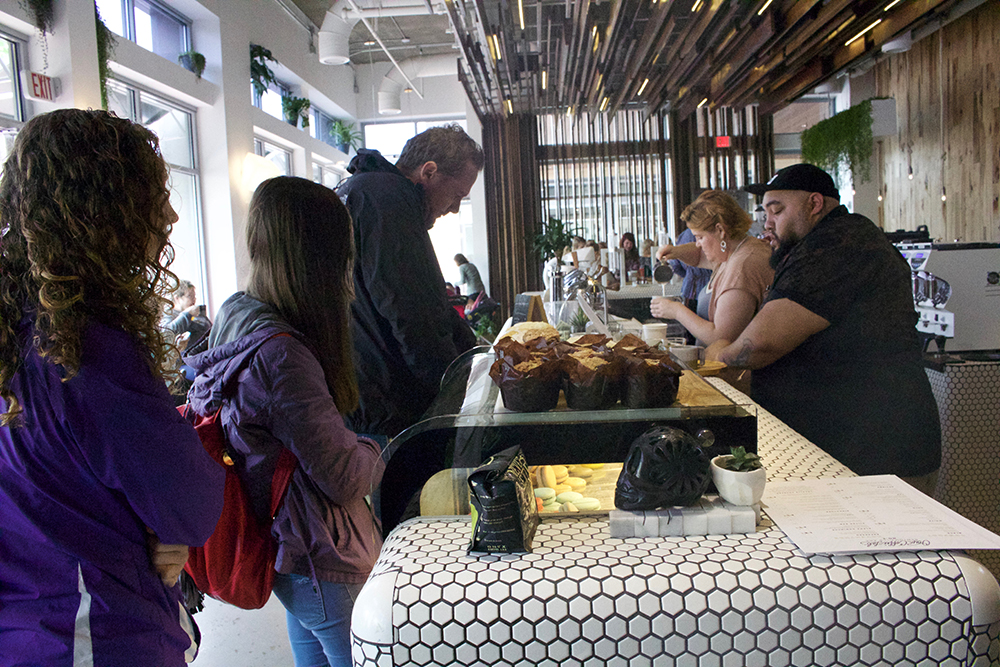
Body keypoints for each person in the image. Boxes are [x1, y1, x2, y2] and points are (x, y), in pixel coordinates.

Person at [0, 109, 224, 666]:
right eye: (153, 199)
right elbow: (189, 506)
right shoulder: (84, 353)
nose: (171, 214)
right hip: (91, 634)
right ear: (102, 215)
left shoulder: (15, 332)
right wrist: (159, 523)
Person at [186, 177, 386, 667]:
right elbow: (341, 476)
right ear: (324, 257)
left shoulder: (237, 316)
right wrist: (373, 450)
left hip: (288, 552)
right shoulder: (283, 357)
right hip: (322, 554)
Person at [709, 163, 941, 492]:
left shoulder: (838, 246)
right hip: (853, 446)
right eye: (765, 212)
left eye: (776, 211)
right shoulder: (821, 243)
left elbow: (759, 345)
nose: (767, 223)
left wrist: (719, 355)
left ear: (814, 204)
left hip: (876, 453)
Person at [337, 124, 482, 439]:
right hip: (387, 409)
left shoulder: (364, 190)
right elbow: (411, 311)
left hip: (364, 399)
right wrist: (451, 390)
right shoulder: (387, 200)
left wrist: (475, 356)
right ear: (428, 172)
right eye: (457, 195)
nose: (455, 208)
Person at [650, 191, 773, 347]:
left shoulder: (742, 268)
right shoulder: (736, 250)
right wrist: (676, 252)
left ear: (720, 231)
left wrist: (676, 311)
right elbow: (699, 256)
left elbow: (720, 337)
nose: (697, 243)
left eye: (700, 237)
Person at [664, 227, 712, 312]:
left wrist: (688, 275)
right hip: (710, 286)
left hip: (690, 289)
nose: (697, 244)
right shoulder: (709, 232)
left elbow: (676, 266)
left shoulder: (684, 235)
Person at [161, 279, 212, 349]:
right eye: (189, 296)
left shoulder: (196, 313)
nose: (194, 300)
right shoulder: (168, 314)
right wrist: (187, 314)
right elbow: (167, 333)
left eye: (194, 296)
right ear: (177, 298)